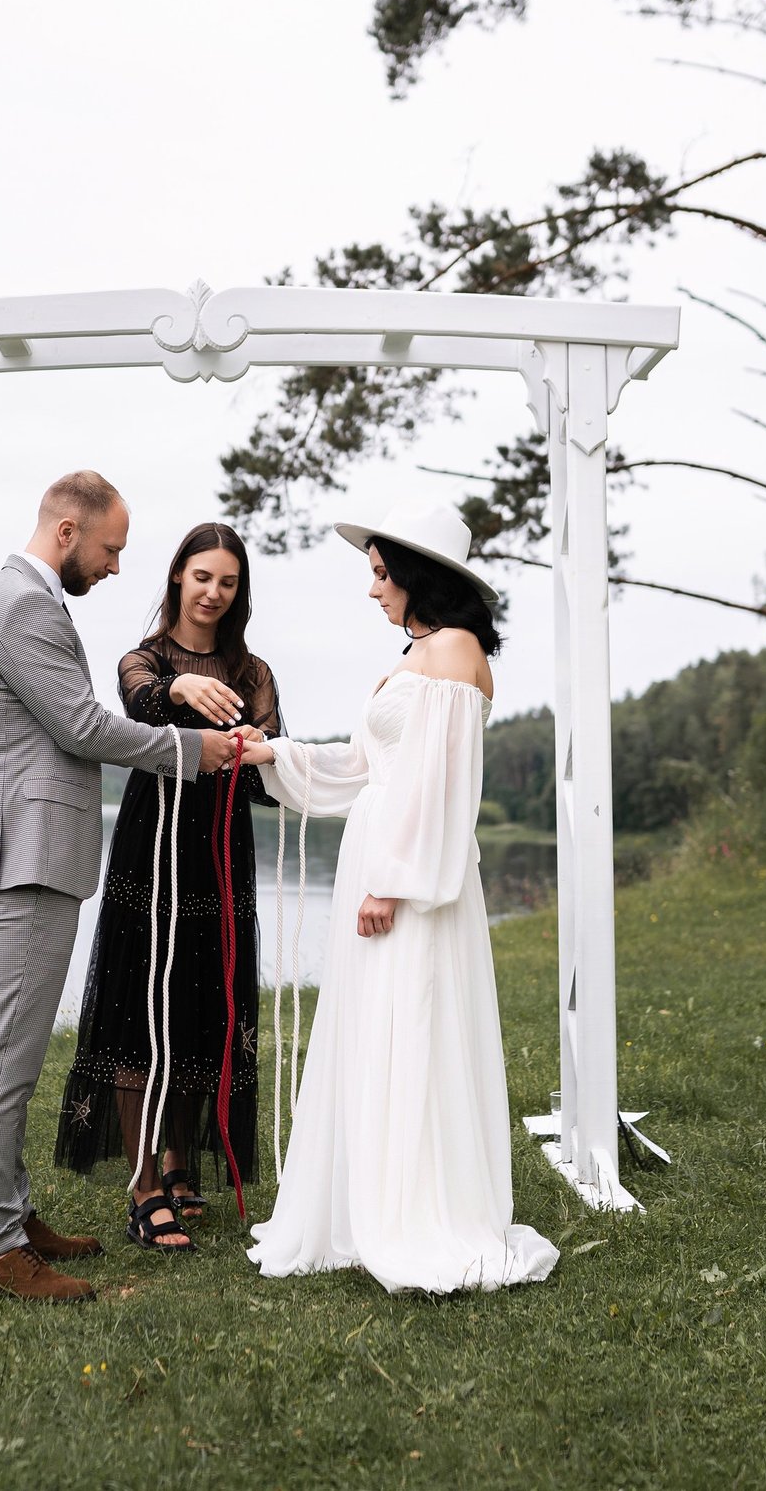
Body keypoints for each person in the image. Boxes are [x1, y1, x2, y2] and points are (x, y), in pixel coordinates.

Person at [241, 503, 560, 1295]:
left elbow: (436, 785)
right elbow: (367, 767)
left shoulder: (454, 650)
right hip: (381, 855)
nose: (374, 589)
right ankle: (371, 1200)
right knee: (374, 1023)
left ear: (420, 576)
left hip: (412, 874)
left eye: (383, 574)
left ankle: (419, 1210)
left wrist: (392, 881)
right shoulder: (421, 652)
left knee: (412, 1019)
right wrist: (272, 753)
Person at [0, 473, 238, 1303]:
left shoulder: (24, 600)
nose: (115, 567)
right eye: (111, 549)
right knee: (5, 1063)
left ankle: (9, 1218)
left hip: (29, 852)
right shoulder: (22, 606)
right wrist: (191, 750)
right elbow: (81, 725)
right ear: (68, 531)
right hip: (25, 856)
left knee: (12, 1056)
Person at [55, 523, 281, 1251]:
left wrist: (259, 753)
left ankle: (180, 1162)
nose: (214, 592)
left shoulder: (253, 673)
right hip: (150, 850)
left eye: (228, 582)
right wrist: (178, 684)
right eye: (202, 576)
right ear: (179, 576)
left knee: (202, 1005)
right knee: (137, 1009)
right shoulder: (143, 659)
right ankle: (144, 1186)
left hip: (222, 854)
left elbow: (266, 782)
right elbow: (140, 708)